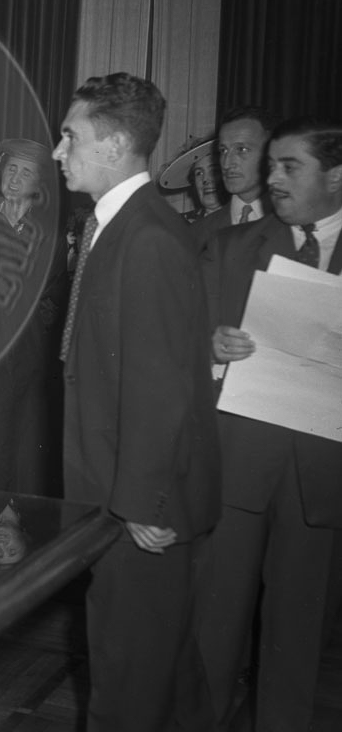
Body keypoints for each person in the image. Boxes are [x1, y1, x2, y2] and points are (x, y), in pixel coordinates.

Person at [53, 72, 219, 731]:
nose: (58, 149)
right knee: (164, 676)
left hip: (140, 510)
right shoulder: (116, 227)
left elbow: (162, 389)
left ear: (114, 144)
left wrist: (140, 505)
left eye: (70, 136)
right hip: (125, 491)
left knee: (127, 683)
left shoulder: (143, 238)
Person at [196, 118, 342, 731]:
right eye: (271, 164)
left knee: (297, 634)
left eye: (290, 167)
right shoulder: (233, 248)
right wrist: (212, 347)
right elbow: (184, 345)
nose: (271, 178)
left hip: (322, 478)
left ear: (336, 176)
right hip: (240, 466)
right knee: (212, 624)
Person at [0, 138, 67, 495]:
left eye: (26, 172)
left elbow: (52, 298)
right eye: (11, 168)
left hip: (30, 357)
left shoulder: (51, 237)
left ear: (38, 183)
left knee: (26, 450)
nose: (15, 178)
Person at [194, 106, 275, 245]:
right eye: (223, 150)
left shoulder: (294, 225)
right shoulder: (199, 233)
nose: (227, 163)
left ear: (270, 153)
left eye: (241, 149)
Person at [158, 135, 226, 222]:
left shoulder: (244, 220)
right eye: (199, 173)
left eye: (213, 171)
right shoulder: (178, 225)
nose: (205, 179)